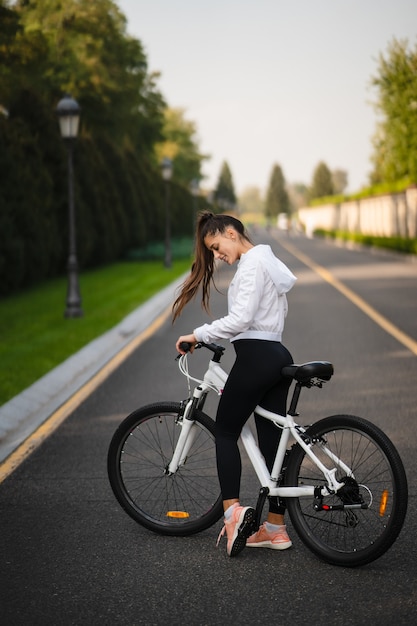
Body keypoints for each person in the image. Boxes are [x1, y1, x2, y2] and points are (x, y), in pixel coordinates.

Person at [173, 211, 297, 557]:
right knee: (272, 446)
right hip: (276, 355)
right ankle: (274, 529)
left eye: (216, 246)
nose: (216, 255)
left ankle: (233, 516)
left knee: (226, 431)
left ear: (231, 232)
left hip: (257, 357)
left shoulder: (252, 265)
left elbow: (241, 319)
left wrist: (197, 334)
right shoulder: (265, 261)